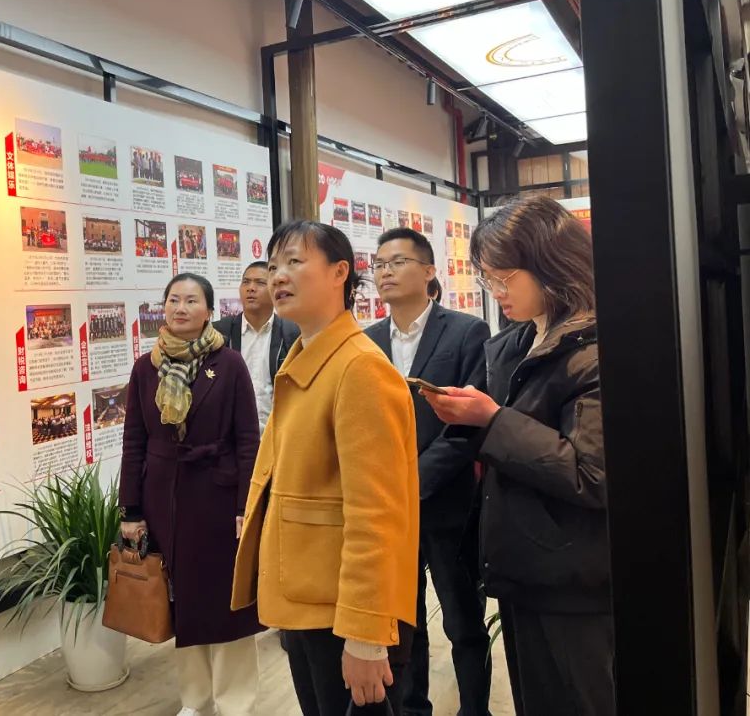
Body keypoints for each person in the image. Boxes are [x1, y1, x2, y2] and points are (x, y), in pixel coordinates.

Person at [421, 195, 612, 716]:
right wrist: (469, 417)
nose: (497, 292)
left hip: (573, 579)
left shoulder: (594, 349)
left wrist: (492, 420)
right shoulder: (517, 342)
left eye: (505, 277)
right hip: (523, 566)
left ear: (551, 264)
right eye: (488, 279)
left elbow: (590, 473)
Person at [232, 221, 419, 715]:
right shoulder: (307, 357)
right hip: (308, 596)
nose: (277, 276)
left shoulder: (360, 368)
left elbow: (376, 515)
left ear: (340, 273)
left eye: (295, 262)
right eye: (273, 265)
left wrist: (365, 635)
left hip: (342, 614)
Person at [120, 272, 263, 716]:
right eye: (173, 300)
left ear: (209, 311)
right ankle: (196, 700)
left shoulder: (229, 363)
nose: (180, 308)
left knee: (226, 603)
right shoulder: (146, 367)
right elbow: (134, 441)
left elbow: (247, 440)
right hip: (165, 499)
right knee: (183, 602)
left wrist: (245, 506)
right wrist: (131, 509)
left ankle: (235, 701)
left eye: (191, 300)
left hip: (218, 499)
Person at [364, 228, 491, 716]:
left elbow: (468, 426)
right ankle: (413, 708)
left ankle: (474, 710)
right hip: (388, 509)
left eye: (397, 262)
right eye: (379, 264)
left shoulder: (465, 332)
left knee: (463, 623)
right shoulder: (368, 341)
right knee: (403, 622)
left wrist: (413, 482)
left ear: (429, 271)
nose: (386, 272)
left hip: (448, 504)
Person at [213, 260, 300, 435]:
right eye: (246, 282)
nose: (250, 288)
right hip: (231, 439)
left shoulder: (293, 333)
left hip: (278, 436)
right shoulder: (219, 333)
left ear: (275, 289)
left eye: (260, 282)